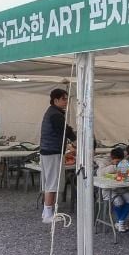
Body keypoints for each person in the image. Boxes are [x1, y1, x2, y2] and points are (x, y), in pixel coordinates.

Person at [39, 88, 76, 224]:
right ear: (55, 100)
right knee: (52, 183)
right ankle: (48, 215)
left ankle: (46, 211)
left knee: (49, 182)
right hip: (52, 152)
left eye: (67, 99)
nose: (66, 101)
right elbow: (66, 131)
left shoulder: (53, 112)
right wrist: (75, 142)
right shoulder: (55, 114)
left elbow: (64, 130)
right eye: (64, 99)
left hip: (48, 151)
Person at [98, 147, 129, 233]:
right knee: (119, 201)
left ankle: (120, 222)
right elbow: (99, 173)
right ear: (112, 158)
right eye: (117, 162)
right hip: (108, 190)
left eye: (120, 161)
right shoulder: (104, 162)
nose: (119, 163)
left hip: (120, 188)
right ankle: (121, 222)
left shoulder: (124, 161)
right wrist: (115, 167)